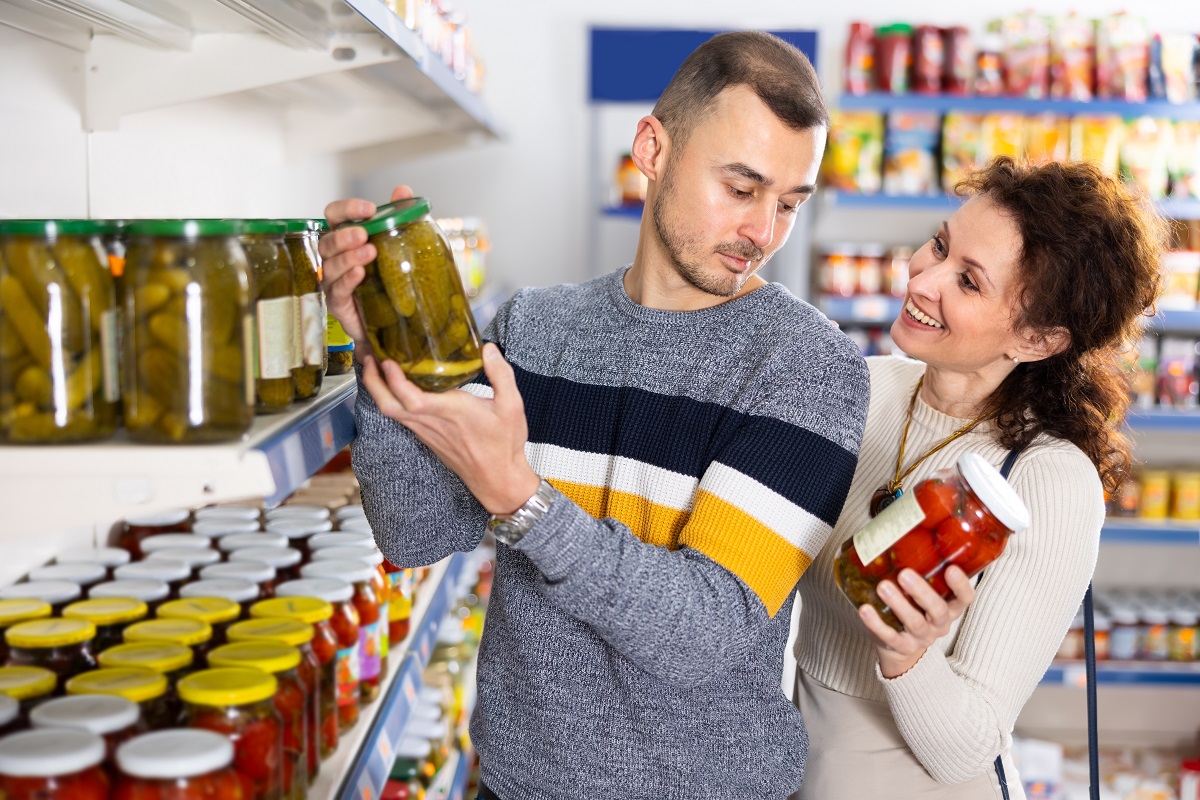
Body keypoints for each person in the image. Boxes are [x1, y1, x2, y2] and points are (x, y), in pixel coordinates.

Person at [320, 31, 870, 800]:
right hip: (514, 786)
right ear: (652, 149)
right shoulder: (534, 329)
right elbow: (419, 533)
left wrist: (522, 499)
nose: (763, 232)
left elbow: (704, 634)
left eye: (788, 203)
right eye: (741, 189)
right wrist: (380, 340)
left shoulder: (808, 366)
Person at [792, 156, 1166, 799]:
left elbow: (970, 746)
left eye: (968, 281)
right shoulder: (864, 389)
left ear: (1037, 340)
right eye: (939, 245)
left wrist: (909, 655)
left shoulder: (1048, 480)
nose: (923, 278)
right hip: (798, 771)